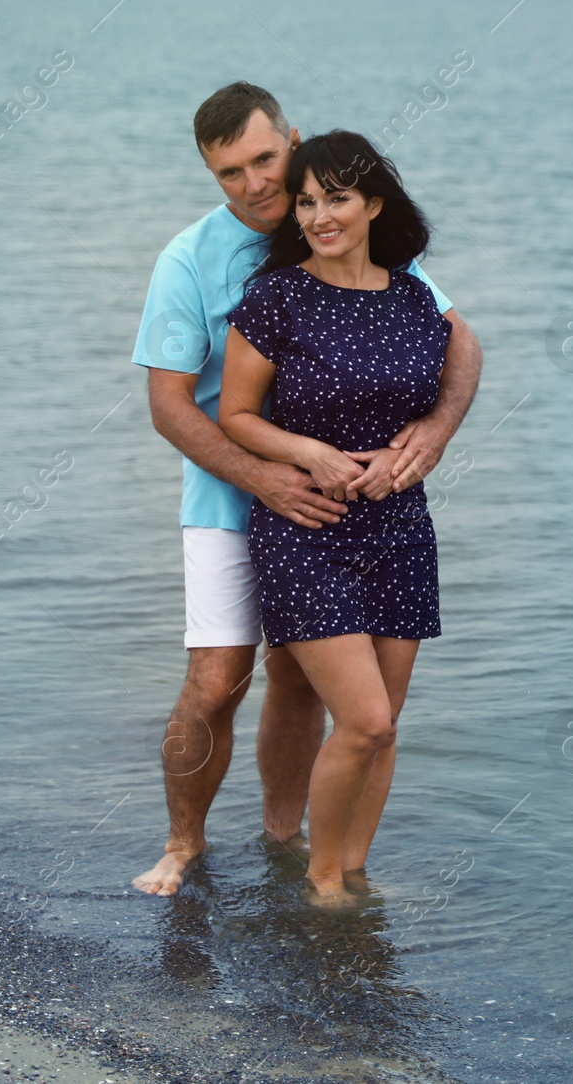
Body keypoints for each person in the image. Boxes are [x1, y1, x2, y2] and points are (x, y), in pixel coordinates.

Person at [130, 83, 482, 897]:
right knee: (219, 680)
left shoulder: (341, 219)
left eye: (262, 159)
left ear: (288, 139)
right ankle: (184, 844)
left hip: (352, 512)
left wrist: (432, 435)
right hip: (230, 502)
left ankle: (287, 842)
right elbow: (170, 406)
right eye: (229, 173)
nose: (254, 183)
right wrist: (266, 478)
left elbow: (458, 346)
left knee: (302, 683)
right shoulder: (188, 260)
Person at [219, 130, 454, 905]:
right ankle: (321, 885)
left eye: (337, 199)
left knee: (386, 724)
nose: (319, 215)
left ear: (373, 204)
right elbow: (237, 415)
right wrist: (308, 452)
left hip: (399, 530)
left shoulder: (416, 298)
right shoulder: (279, 296)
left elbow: (446, 388)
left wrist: (418, 445)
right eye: (308, 201)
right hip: (305, 528)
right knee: (365, 720)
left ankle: (355, 874)